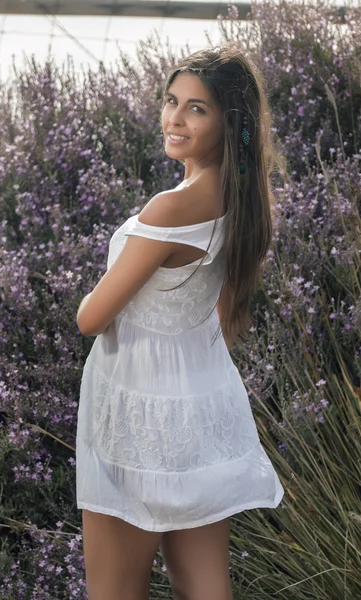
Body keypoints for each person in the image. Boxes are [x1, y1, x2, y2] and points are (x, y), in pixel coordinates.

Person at [75, 41, 285, 600]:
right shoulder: (244, 200)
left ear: (229, 122)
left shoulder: (170, 209)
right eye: (172, 101)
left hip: (136, 415)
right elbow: (222, 320)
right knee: (206, 589)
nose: (174, 118)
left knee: (115, 593)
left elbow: (90, 318)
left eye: (197, 108)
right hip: (203, 408)